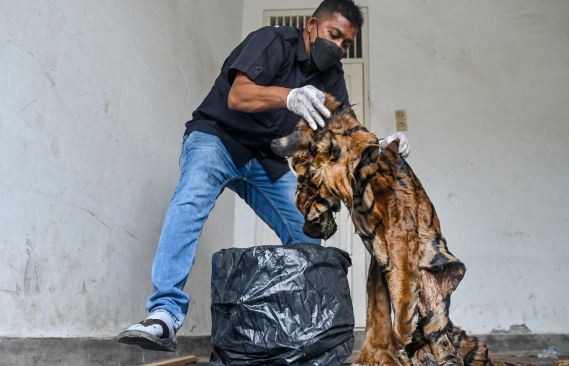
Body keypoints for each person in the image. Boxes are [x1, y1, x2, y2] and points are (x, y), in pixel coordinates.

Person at [118, 0, 409, 352]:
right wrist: (289, 97)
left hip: (264, 159)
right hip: (218, 138)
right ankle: (163, 315)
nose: (339, 48)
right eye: (334, 35)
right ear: (313, 25)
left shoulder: (332, 78)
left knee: (307, 231)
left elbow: (344, 134)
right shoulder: (272, 41)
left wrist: (379, 146)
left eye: (346, 43)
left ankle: (301, 330)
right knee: (190, 200)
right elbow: (238, 96)